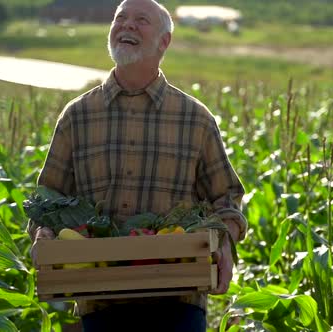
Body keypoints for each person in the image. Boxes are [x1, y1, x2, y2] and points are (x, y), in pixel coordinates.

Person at [26, 0, 248, 331]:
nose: (127, 25)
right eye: (120, 18)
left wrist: (224, 241)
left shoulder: (195, 118)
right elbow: (47, 199)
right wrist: (42, 233)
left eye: (141, 20)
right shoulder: (77, 116)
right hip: (99, 300)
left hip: (179, 301)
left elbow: (227, 199)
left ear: (164, 42)